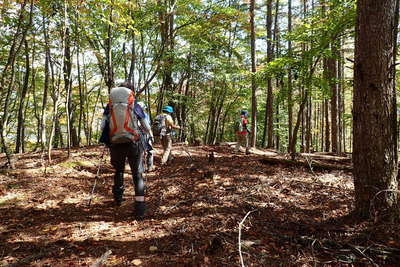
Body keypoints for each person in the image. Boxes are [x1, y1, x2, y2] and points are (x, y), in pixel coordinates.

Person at [100, 81, 153, 219]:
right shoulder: (134, 104)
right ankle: (140, 209)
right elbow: (146, 125)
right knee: (137, 174)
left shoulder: (110, 105)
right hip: (134, 143)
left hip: (116, 143)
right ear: (131, 92)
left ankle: (118, 198)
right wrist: (147, 134)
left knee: (119, 170)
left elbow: (102, 126)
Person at [137, 101, 154, 172]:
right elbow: (147, 126)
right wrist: (151, 135)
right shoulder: (144, 115)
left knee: (140, 152)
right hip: (144, 134)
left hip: (137, 135)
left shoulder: (132, 114)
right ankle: (149, 167)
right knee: (150, 151)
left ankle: (141, 168)